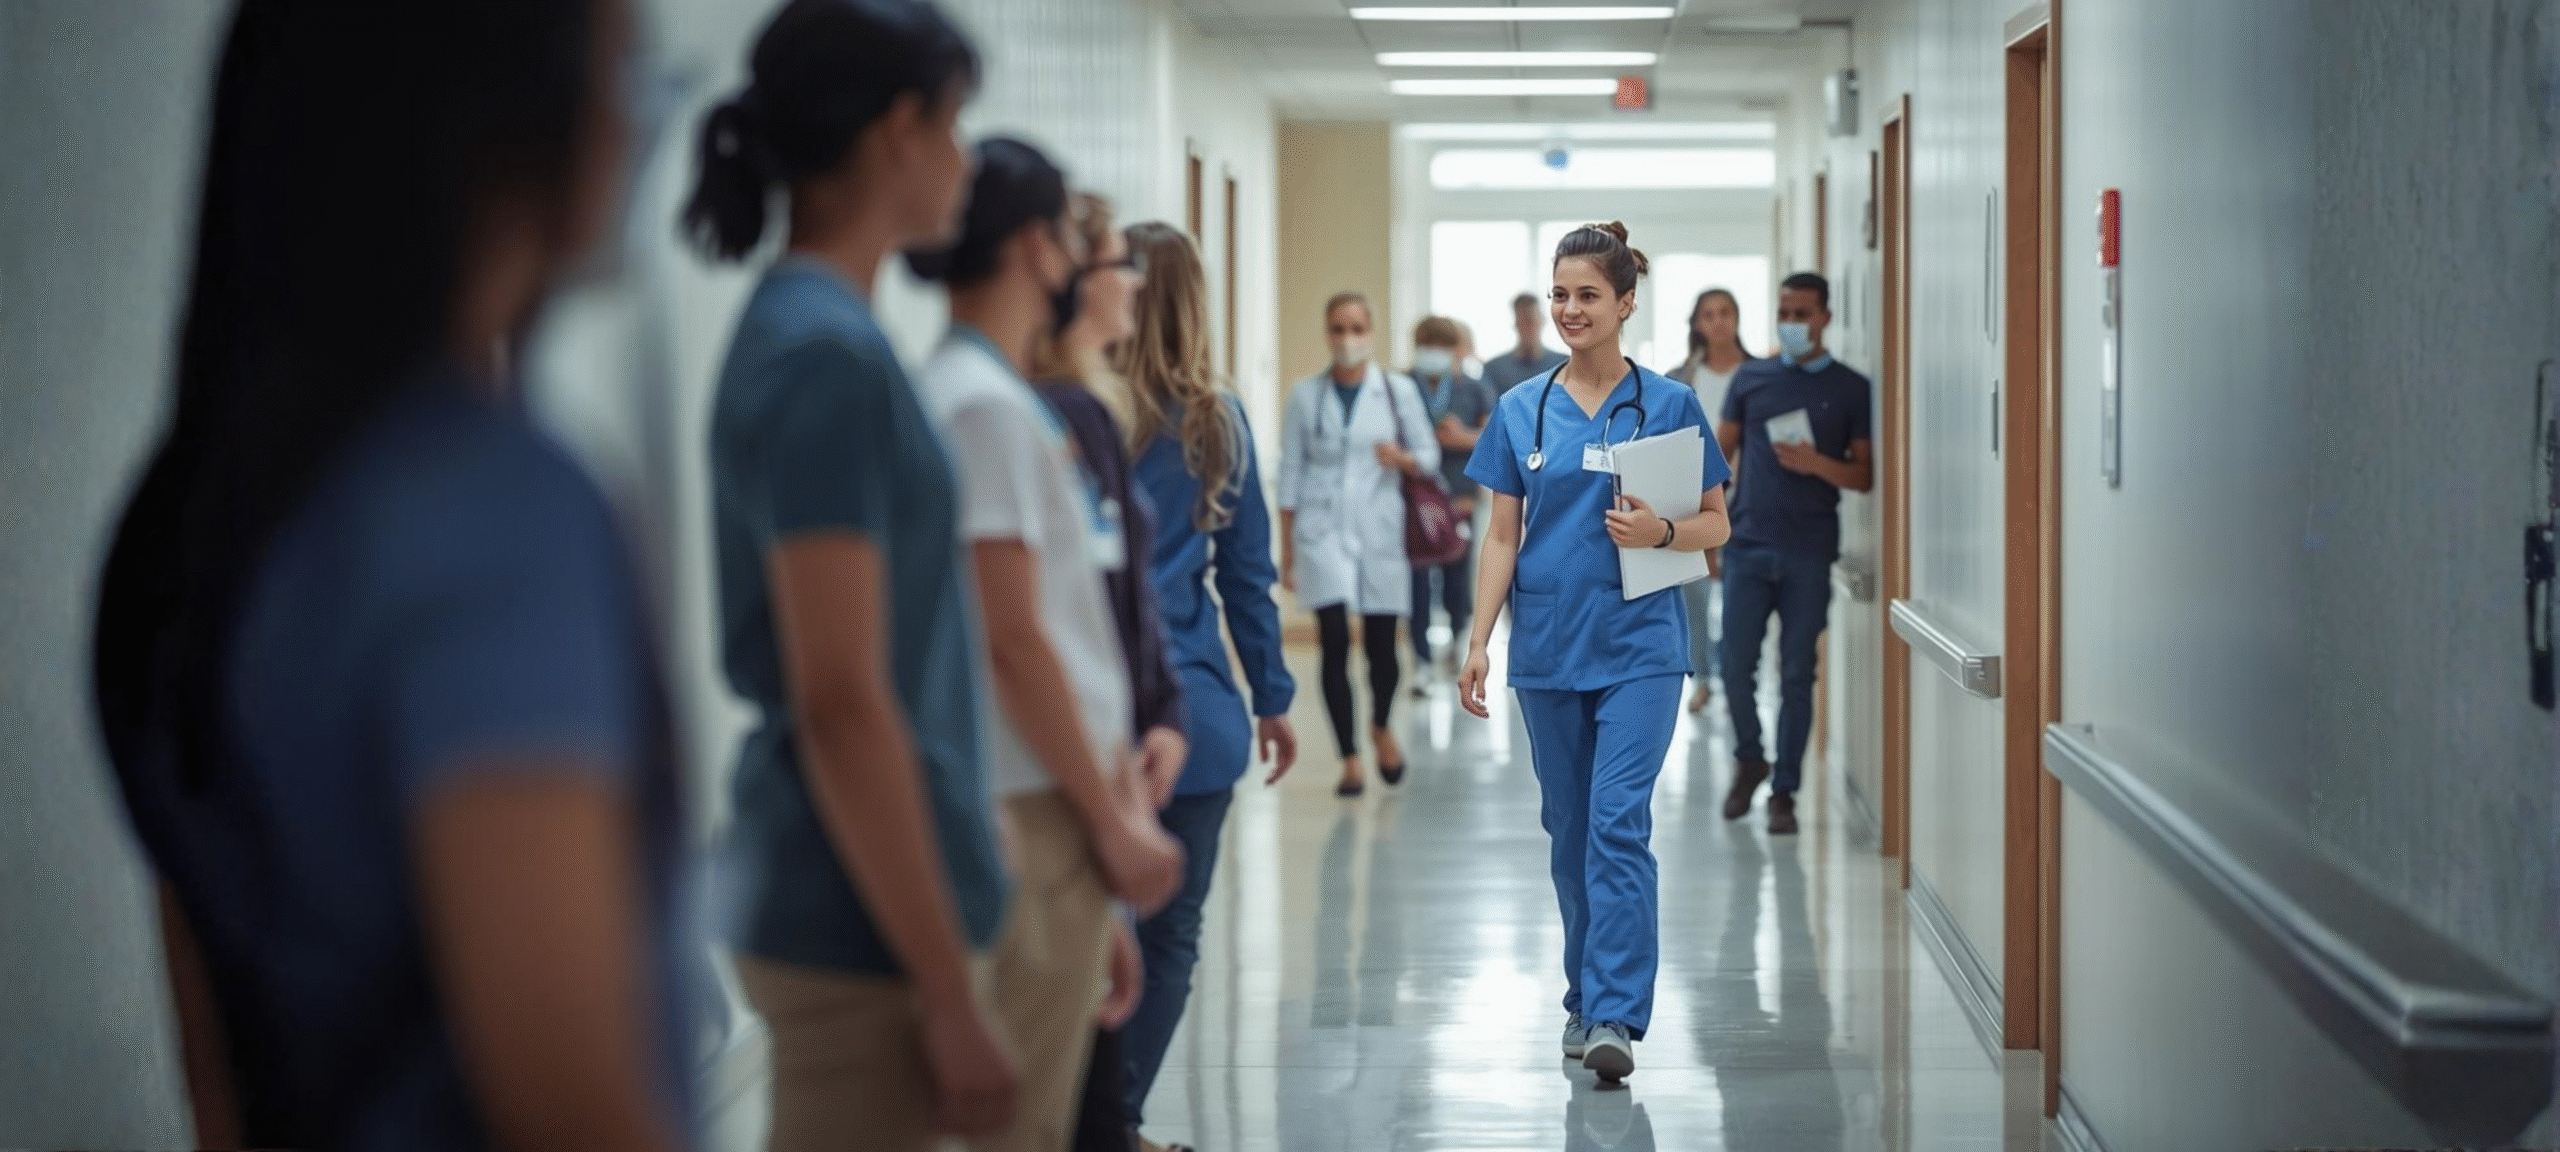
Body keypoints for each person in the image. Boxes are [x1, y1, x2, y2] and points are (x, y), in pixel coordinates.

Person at [90, 3, 701, 1149]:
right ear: (503, 110)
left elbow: (219, 1066)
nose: (636, 130)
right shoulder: (493, 509)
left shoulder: (192, 515)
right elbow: (566, 1100)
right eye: (622, 80)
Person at [686, 2, 1021, 1147]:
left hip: (867, 892)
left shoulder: (834, 334)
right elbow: (838, 696)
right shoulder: (821, 355)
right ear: (896, 131)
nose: (966, 160)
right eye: (955, 125)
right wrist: (943, 987)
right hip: (853, 923)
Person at [909, 138, 1188, 1152]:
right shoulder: (986, 410)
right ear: (1042, 250)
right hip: (1033, 799)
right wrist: (1112, 824)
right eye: (1099, 249)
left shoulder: (996, 403)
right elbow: (1017, 642)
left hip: (1049, 798)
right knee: (1028, 1125)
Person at [1456, 222, 1732, 1086]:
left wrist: (1661, 529)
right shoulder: (1521, 409)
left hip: (1643, 645)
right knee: (1569, 832)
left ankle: (1615, 1009)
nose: (1571, 309)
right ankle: (1583, 998)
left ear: (1625, 305)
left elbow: (1717, 525)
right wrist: (1476, 641)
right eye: (1561, 294)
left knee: (1617, 822)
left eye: (1587, 295)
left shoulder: (1669, 405)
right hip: (1548, 647)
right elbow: (1502, 538)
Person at [1111, 221, 1299, 1152]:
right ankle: (1119, 1123)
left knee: (1085, 934)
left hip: (1085, 717)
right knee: (1169, 935)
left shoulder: (1067, 406)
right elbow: (1247, 577)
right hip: (1192, 715)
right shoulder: (1212, 419)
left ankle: (1077, 1121)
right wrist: (1271, 697)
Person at [1026, 194, 1181, 1152]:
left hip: (1097, 764)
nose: (1133, 281)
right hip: (1058, 784)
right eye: (1119, 262)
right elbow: (1039, 634)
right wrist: (1114, 812)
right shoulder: (1047, 416)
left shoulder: (1077, 408)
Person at [1715, 272, 1874, 836]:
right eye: (1785, 311)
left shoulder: (1853, 388)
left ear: (1826, 318)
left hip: (1808, 549)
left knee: (1798, 674)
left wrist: (1816, 464)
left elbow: (1864, 474)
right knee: (1734, 666)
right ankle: (1750, 758)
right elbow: (1718, 457)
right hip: (1747, 545)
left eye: (1804, 313)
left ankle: (1785, 792)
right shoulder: (1751, 378)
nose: (1793, 322)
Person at [1279, 292, 1440, 797]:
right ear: (1327, 334)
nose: (1346, 338)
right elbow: (1288, 473)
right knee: (1331, 641)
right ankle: (1349, 757)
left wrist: (1404, 459)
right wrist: (1285, 552)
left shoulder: (1396, 392)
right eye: (1337, 327)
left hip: (1380, 529)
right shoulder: (1306, 396)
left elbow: (1431, 456)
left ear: (1370, 333)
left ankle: (1381, 726)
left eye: (1355, 327)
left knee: (1380, 645)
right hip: (1321, 532)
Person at [1673, 288, 1754, 715]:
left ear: (1738, 318)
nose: (1718, 321)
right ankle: (1704, 676)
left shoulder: (1760, 374)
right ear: (1697, 324)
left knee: (1742, 596)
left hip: (1752, 502)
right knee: (1696, 595)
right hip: (1696, 504)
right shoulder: (1680, 379)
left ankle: (1737, 673)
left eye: (1726, 312)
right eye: (1709, 314)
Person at [1405, 315, 1496, 690]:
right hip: (1414, 500)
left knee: (1458, 578)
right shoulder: (1402, 385)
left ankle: (1458, 644)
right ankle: (1421, 662)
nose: (1434, 353)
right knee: (1418, 583)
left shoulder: (1473, 388)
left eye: (1441, 345)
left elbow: (1493, 439)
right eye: (1427, 344)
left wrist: (1462, 437)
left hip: (1460, 497)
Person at [1481, 290, 1571, 393]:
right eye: (1521, 321)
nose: (1527, 327)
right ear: (1515, 324)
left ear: (1542, 321)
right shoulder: (1494, 369)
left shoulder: (1566, 366)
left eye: (1531, 320)